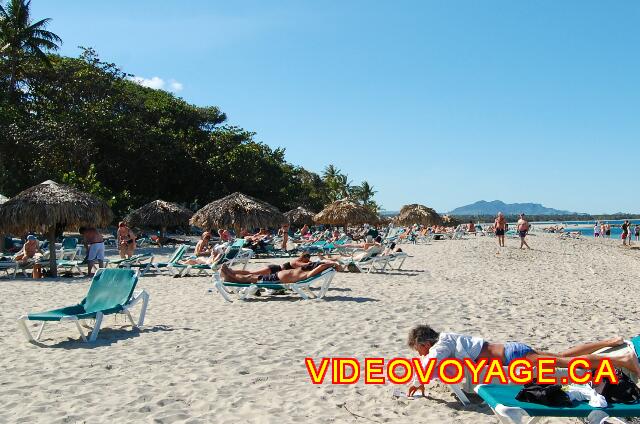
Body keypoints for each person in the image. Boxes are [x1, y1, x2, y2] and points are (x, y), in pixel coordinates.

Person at [406, 324, 640, 397]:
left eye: (419, 350)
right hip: (514, 351)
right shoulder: (445, 342)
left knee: (568, 363)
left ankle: (623, 358)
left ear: (425, 342)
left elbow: (431, 361)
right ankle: (610, 342)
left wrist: (418, 380)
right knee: (564, 356)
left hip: (514, 355)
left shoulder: (442, 343)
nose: (420, 355)